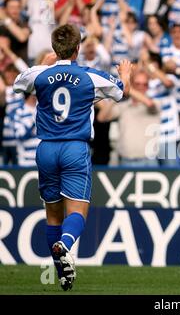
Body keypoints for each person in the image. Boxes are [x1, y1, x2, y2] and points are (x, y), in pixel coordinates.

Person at [13, 24, 131, 291]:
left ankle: (62, 273)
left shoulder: (40, 75)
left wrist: (43, 66)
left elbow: (18, 84)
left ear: (55, 49)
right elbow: (122, 93)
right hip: (74, 149)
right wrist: (125, 74)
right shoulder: (89, 76)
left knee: (53, 214)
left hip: (45, 149)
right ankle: (65, 246)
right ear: (78, 48)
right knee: (77, 212)